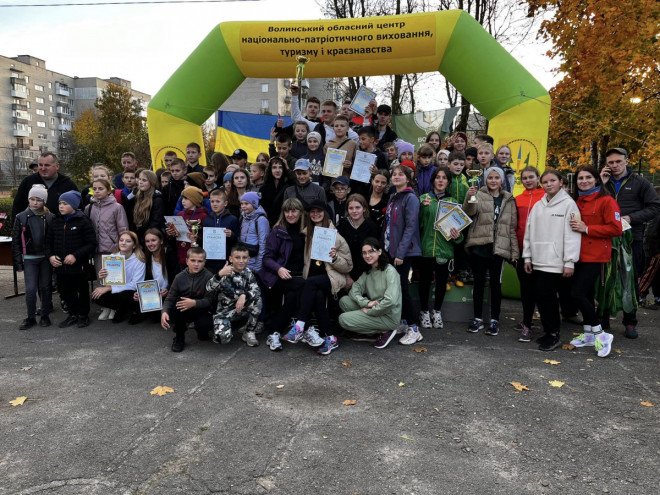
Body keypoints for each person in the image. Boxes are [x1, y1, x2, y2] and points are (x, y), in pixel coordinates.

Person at [600, 147, 660, 338]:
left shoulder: (640, 182)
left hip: (631, 238)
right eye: (611, 162)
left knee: (630, 281)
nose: (615, 165)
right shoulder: (602, 181)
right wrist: (601, 184)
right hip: (606, 238)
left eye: (618, 161)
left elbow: (655, 207)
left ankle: (630, 321)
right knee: (605, 279)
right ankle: (603, 318)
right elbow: (590, 201)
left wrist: (631, 218)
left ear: (626, 161)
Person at [281, 200, 352, 355]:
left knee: (311, 283)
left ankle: (299, 326)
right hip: (313, 280)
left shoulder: (336, 236)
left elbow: (348, 266)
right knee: (318, 296)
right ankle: (331, 338)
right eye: (312, 212)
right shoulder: (307, 234)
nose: (315, 214)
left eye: (319, 211)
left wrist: (335, 258)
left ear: (325, 213)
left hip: (331, 277)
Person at [566, 166, 622, 358]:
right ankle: (589, 333)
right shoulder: (577, 201)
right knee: (587, 294)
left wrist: (587, 228)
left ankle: (600, 334)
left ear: (597, 179)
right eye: (580, 178)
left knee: (577, 293)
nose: (584, 181)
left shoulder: (607, 201)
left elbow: (616, 229)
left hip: (595, 255)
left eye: (588, 177)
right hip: (578, 254)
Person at [523, 169, 581, 351]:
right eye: (545, 182)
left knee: (548, 298)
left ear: (561, 182)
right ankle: (548, 331)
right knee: (541, 297)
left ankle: (554, 333)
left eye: (552, 180)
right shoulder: (538, 205)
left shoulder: (569, 204)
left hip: (556, 262)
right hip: (538, 259)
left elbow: (572, 235)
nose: (549, 184)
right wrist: (527, 256)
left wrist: (569, 261)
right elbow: (528, 232)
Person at [463, 166, 519, 336]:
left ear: (502, 180)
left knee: (496, 285)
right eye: (490, 178)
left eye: (496, 178)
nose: (493, 181)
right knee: (479, 284)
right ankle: (477, 318)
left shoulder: (508, 199)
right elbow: (469, 212)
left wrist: (514, 252)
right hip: (480, 247)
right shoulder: (478, 194)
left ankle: (494, 320)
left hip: (498, 249)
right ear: (485, 180)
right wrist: (470, 196)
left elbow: (511, 228)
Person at [259, 198, 307, 351]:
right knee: (304, 285)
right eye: (287, 211)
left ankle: (274, 332)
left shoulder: (307, 230)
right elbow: (267, 258)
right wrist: (279, 268)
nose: (290, 214)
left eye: (294, 211)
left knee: (293, 296)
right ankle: (302, 326)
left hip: (299, 275)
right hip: (280, 275)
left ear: (301, 212)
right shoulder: (278, 231)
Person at [338, 237, 403, 348]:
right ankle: (374, 331)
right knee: (344, 301)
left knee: (343, 319)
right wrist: (366, 303)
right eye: (364, 253)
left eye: (371, 251)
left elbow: (390, 301)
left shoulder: (390, 271)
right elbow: (354, 290)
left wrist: (370, 311)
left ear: (379, 251)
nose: (367, 255)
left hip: (388, 316)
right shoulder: (368, 272)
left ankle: (387, 331)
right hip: (375, 308)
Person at [418, 167, 462, 330]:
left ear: (448, 182)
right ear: (433, 180)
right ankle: (424, 312)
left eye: (444, 178)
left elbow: (459, 232)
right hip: (426, 249)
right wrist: (422, 208)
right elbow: (417, 225)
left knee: (442, 283)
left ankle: (437, 312)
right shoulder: (423, 199)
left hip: (444, 250)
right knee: (424, 282)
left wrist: (458, 236)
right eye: (438, 177)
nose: (441, 180)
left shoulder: (453, 202)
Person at [383, 165, 423, 345]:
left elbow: (411, 227)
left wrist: (400, 253)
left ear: (408, 178)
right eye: (394, 174)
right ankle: (405, 322)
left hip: (404, 252)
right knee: (396, 289)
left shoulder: (411, 198)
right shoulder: (394, 196)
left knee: (402, 289)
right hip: (392, 250)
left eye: (401, 174)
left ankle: (414, 328)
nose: (397, 176)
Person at [46, 191, 96, 328]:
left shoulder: (83, 220)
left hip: (78, 265)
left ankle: (83, 315)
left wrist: (75, 255)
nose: (61, 206)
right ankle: (72, 314)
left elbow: (91, 243)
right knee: (65, 290)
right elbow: (48, 242)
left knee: (81, 289)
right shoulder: (56, 221)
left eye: (65, 203)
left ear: (74, 205)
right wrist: (51, 256)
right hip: (60, 266)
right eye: (60, 203)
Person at [12, 184, 55, 329]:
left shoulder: (50, 217)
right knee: (30, 289)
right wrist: (18, 263)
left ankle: (45, 315)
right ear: (28, 199)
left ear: (44, 201)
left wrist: (53, 256)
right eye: (32, 199)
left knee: (45, 287)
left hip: (46, 258)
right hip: (29, 258)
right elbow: (16, 241)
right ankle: (30, 317)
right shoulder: (21, 217)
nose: (35, 202)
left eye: (39, 200)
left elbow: (53, 239)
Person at [206, 244, 263, 347]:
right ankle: (223, 327)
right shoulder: (224, 272)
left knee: (257, 300)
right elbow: (208, 288)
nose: (241, 261)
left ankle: (249, 331)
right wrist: (219, 275)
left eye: (244, 257)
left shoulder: (248, 272)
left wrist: (244, 295)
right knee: (222, 339)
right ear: (231, 259)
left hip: (241, 309)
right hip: (224, 312)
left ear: (248, 259)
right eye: (237, 257)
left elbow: (256, 290)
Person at [161, 247, 214, 352]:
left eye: (200, 261)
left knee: (205, 323)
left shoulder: (209, 276)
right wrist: (164, 312)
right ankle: (179, 337)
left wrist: (194, 303)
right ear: (186, 261)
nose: (196, 264)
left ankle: (202, 331)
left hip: (201, 307)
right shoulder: (179, 277)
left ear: (204, 262)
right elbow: (170, 298)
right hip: (184, 308)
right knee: (177, 307)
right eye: (193, 260)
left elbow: (210, 299)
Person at [514, 166, 545, 342]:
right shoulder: (517, 199)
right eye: (524, 178)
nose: (528, 180)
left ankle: (541, 322)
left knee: (540, 288)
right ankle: (527, 322)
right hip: (521, 249)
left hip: (541, 249)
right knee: (525, 288)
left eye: (531, 177)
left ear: (538, 177)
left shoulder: (546, 196)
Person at [92, 231, 146, 324]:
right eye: (121, 240)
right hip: (116, 289)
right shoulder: (112, 257)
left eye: (128, 241)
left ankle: (127, 310)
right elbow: (108, 282)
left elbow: (135, 285)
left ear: (134, 245)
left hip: (131, 292)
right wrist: (103, 278)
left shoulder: (139, 260)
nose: (123, 243)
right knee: (96, 296)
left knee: (124, 295)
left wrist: (110, 288)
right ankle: (117, 308)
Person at [12, 152, 78, 218]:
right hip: (33, 224)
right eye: (40, 165)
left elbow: (77, 210)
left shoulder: (68, 184)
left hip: (60, 224)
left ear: (57, 166)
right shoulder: (28, 182)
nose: (43, 168)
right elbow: (17, 208)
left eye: (47, 165)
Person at [337, 193, 379, 283]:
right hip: (345, 270)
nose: (354, 211)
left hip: (366, 270)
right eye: (351, 208)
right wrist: (347, 275)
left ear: (364, 209)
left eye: (357, 207)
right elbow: (339, 250)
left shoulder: (371, 226)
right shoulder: (343, 224)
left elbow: (373, 253)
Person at [130, 228, 169, 324]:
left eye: (153, 240)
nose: (150, 244)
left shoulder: (169, 254)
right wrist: (139, 292)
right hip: (153, 294)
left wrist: (168, 290)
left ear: (161, 241)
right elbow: (144, 280)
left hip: (168, 294)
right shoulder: (146, 257)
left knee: (157, 317)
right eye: (147, 241)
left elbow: (176, 277)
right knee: (132, 297)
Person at [201, 189, 239, 275]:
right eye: (212, 201)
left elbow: (237, 240)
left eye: (218, 201)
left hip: (226, 260)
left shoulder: (232, 219)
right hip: (209, 261)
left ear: (225, 203)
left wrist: (232, 235)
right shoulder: (207, 219)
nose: (214, 204)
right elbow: (203, 240)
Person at [169, 186, 207, 270]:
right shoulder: (180, 214)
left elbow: (205, 237)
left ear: (194, 199)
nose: (183, 201)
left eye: (186, 198)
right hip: (181, 253)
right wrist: (172, 233)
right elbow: (175, 236)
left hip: (196, 256)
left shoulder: (203, 216)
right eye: (182, 198)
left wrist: (197, 238)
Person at [125, 170, 165, 243]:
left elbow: (155, 222)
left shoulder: (157, 199)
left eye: (144, 180)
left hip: (149, 238)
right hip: (136, 236)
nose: (140, 182)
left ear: (152, 182)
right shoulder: (136, 197)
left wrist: (144, 238)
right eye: (139, 179)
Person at [239, 192, 270, 273]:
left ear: (254, 204)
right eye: (241, 204)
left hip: (254, 263)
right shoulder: (243, 218)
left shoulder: (261, 220)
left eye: (246, 203)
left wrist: (258, 266)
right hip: (243, 262)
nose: (243, 206)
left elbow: (263, 244)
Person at [260, 156, 293, 225]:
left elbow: (295, 182)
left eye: (280, 167)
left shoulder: (288, 186)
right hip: (267, 223)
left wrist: (287, 167)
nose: (277, 170)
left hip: (284, 223)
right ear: (270, 169)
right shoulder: (263, 188)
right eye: (274, 167)